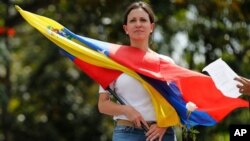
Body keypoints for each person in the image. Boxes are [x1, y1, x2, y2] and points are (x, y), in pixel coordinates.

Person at [98, 1, 176, 141]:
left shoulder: (165, 62)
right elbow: (102, 104)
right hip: (127, 133)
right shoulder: (113, 61)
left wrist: (163, 126)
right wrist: (126, 110)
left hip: (163, 134)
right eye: (133, 20)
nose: (138, 24)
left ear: (151, 27)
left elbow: (178, 102)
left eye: (143, 20)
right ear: (126, 28)